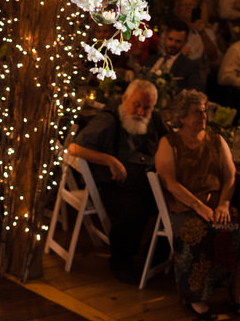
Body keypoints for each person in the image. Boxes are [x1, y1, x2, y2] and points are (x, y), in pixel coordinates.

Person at [154, 89, 240, 320]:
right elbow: (169, 181)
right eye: (197, 113)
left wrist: (224, 204)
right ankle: (195, 297)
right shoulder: (170, 142)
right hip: (185, 205)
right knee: (199, 234)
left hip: (216, 204)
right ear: (182, 117)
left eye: (204, 112)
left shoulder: (216, 140)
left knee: (239, 231)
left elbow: (230, 176)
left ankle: (237, 291)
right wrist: (198, 206)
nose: (203, 117)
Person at [67, 79, 167, 283]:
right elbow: (73, 148)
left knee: (173, 205)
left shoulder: (154, 120)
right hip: (115, 185)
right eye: (136, 105)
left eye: (146, 108)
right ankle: (121, 263)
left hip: (146, 182)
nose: (140, 112)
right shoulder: (109, 119)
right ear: (125, 99)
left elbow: (171, 142)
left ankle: (152, 257)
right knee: (134, 210)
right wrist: (109, 159)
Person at [145, 18, 206, 93]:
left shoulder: (189, 66)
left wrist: (170, 90)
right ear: (165, 38)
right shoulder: (150, 60)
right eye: (170, 39)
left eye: (178, 41)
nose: (173, 44)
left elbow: (197, 89)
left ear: (185, 42)